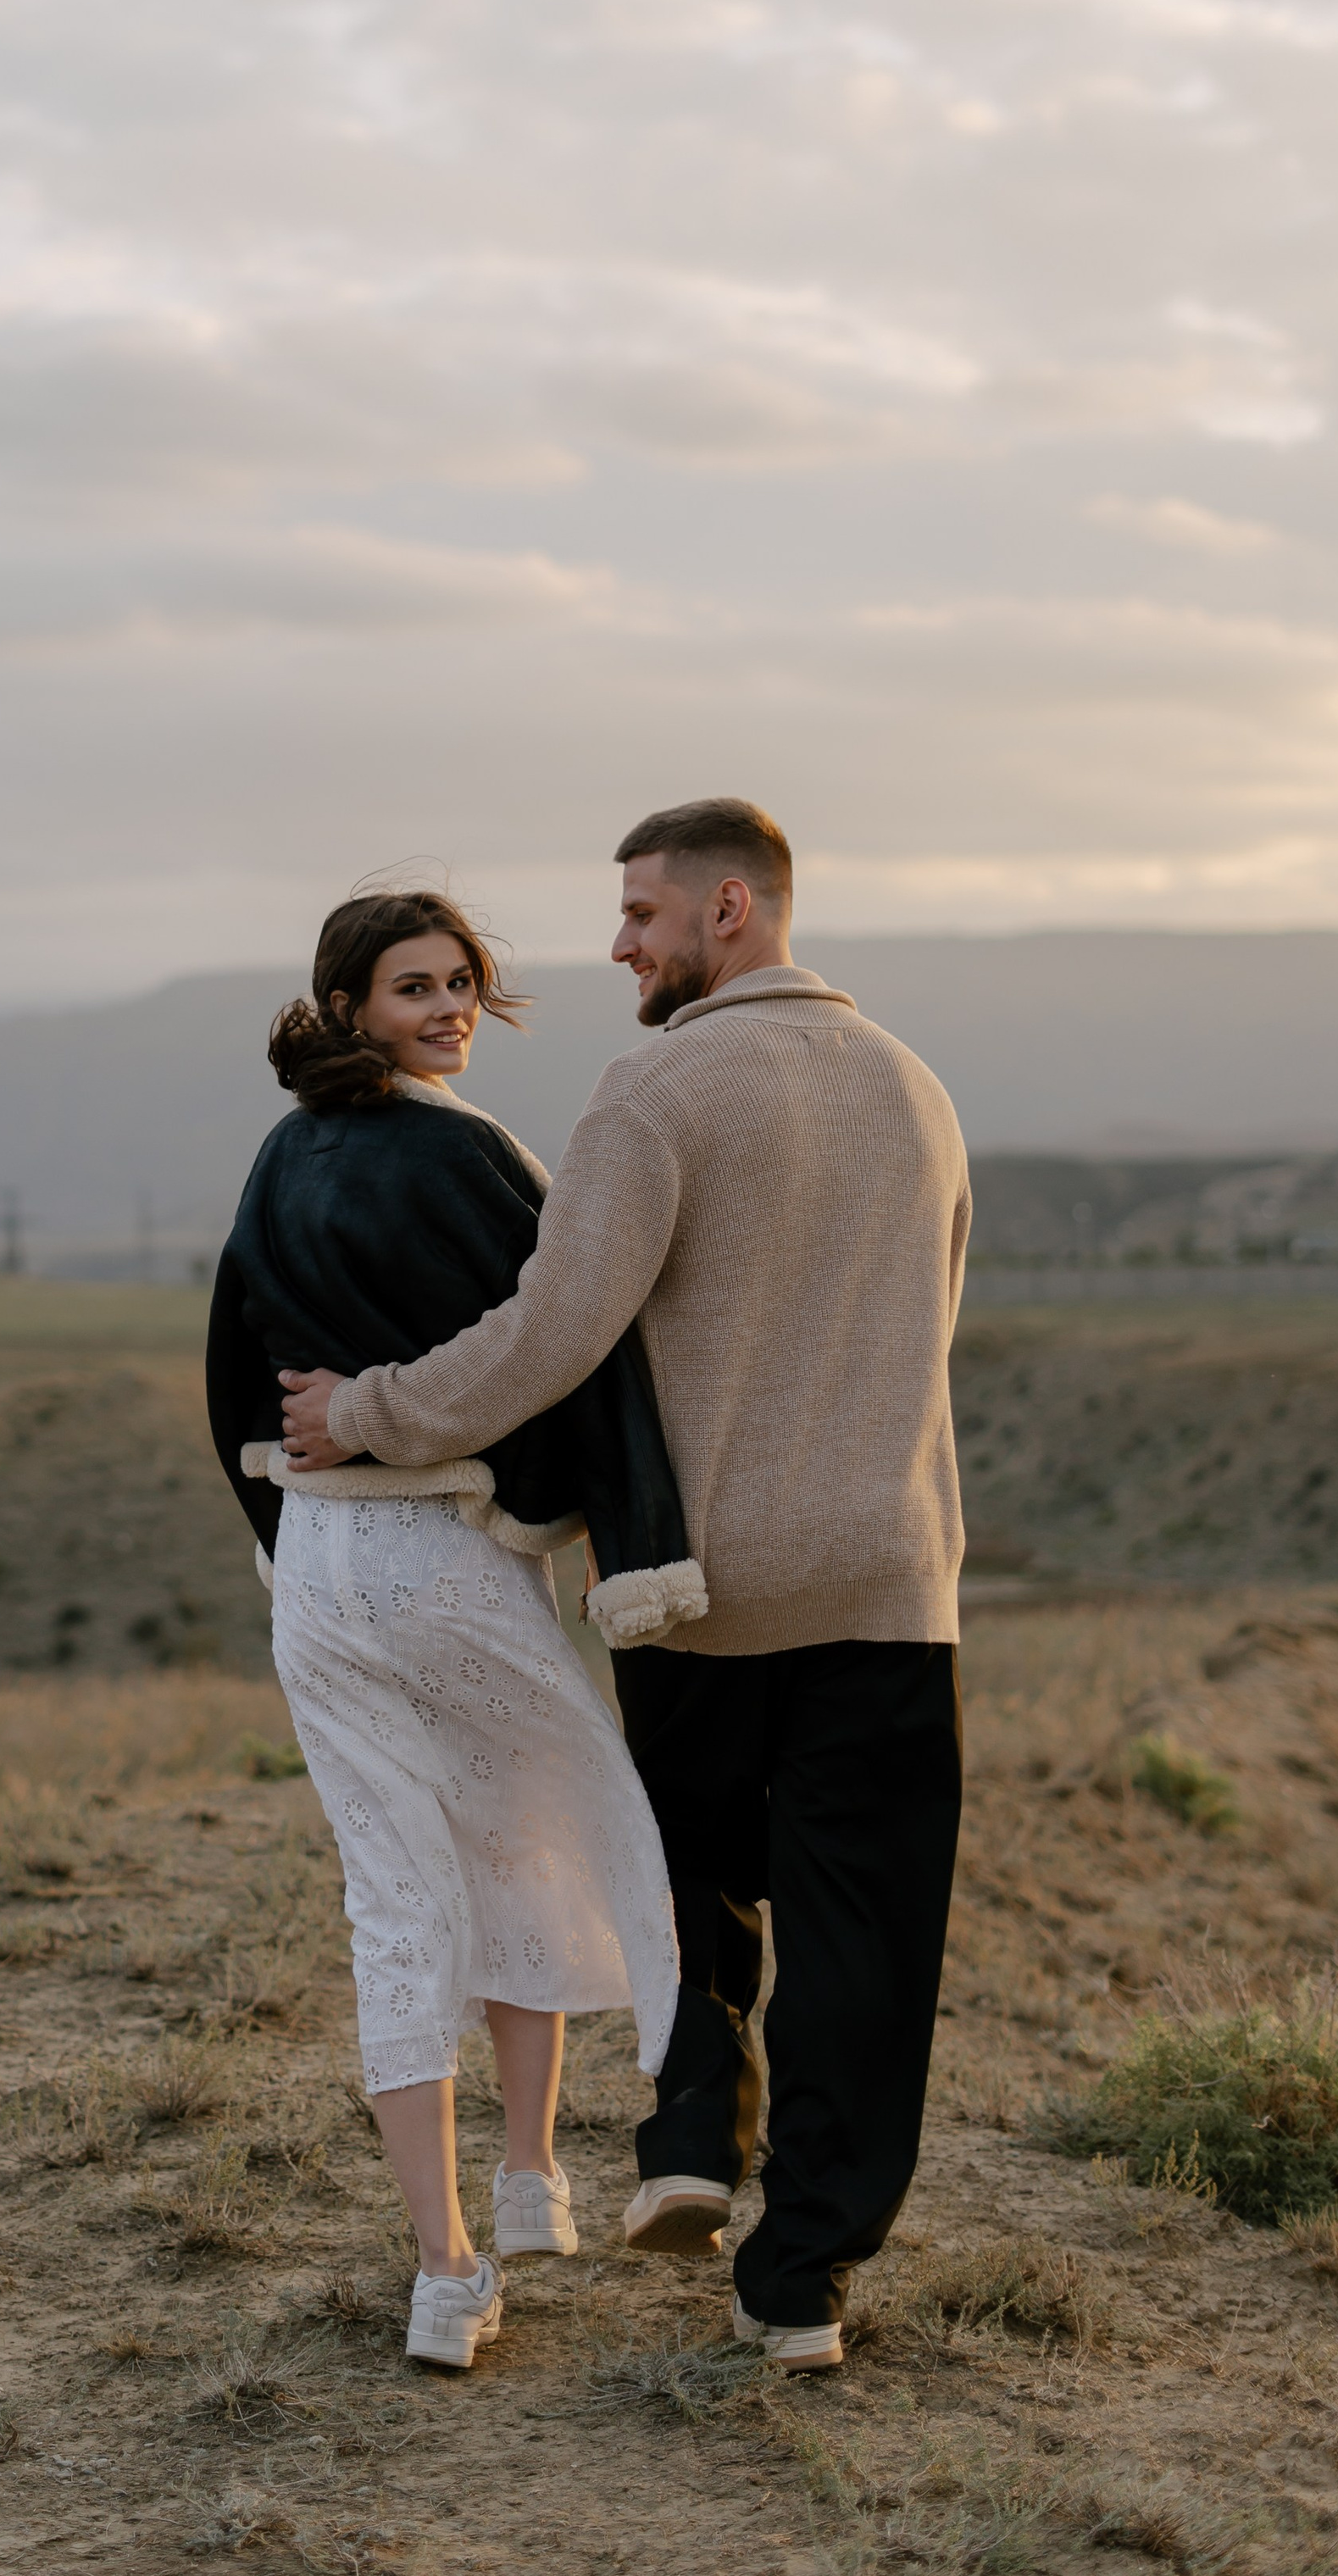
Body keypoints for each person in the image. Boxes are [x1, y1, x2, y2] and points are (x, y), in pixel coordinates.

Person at [280, 802, 970, 2377]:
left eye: (643, 917)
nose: (619, 948)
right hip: (890, 1582)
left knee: (690, 1881)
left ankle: (690, 2142)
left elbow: (550, 1332)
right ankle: (800, 2287)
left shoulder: (652, 1091)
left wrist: (371, 1412)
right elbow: (927, 1326)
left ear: (731, 911)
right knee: (868, 1948)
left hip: (709, 1591)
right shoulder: (918, 1091)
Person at [207, 890, 698, 2372]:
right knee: (550, 1834)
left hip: (316, 1570)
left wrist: (282, 1519)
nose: (448, 1012)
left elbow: (233, 1365)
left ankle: (451, 2267)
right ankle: (539, 2174)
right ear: (349, 1004)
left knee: (396, 1903)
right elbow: (569, 1346)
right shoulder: (477, 1156)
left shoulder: (278, 1158)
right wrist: (602, 1517)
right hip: (449, 1550)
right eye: (415, 989)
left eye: (464, 986)